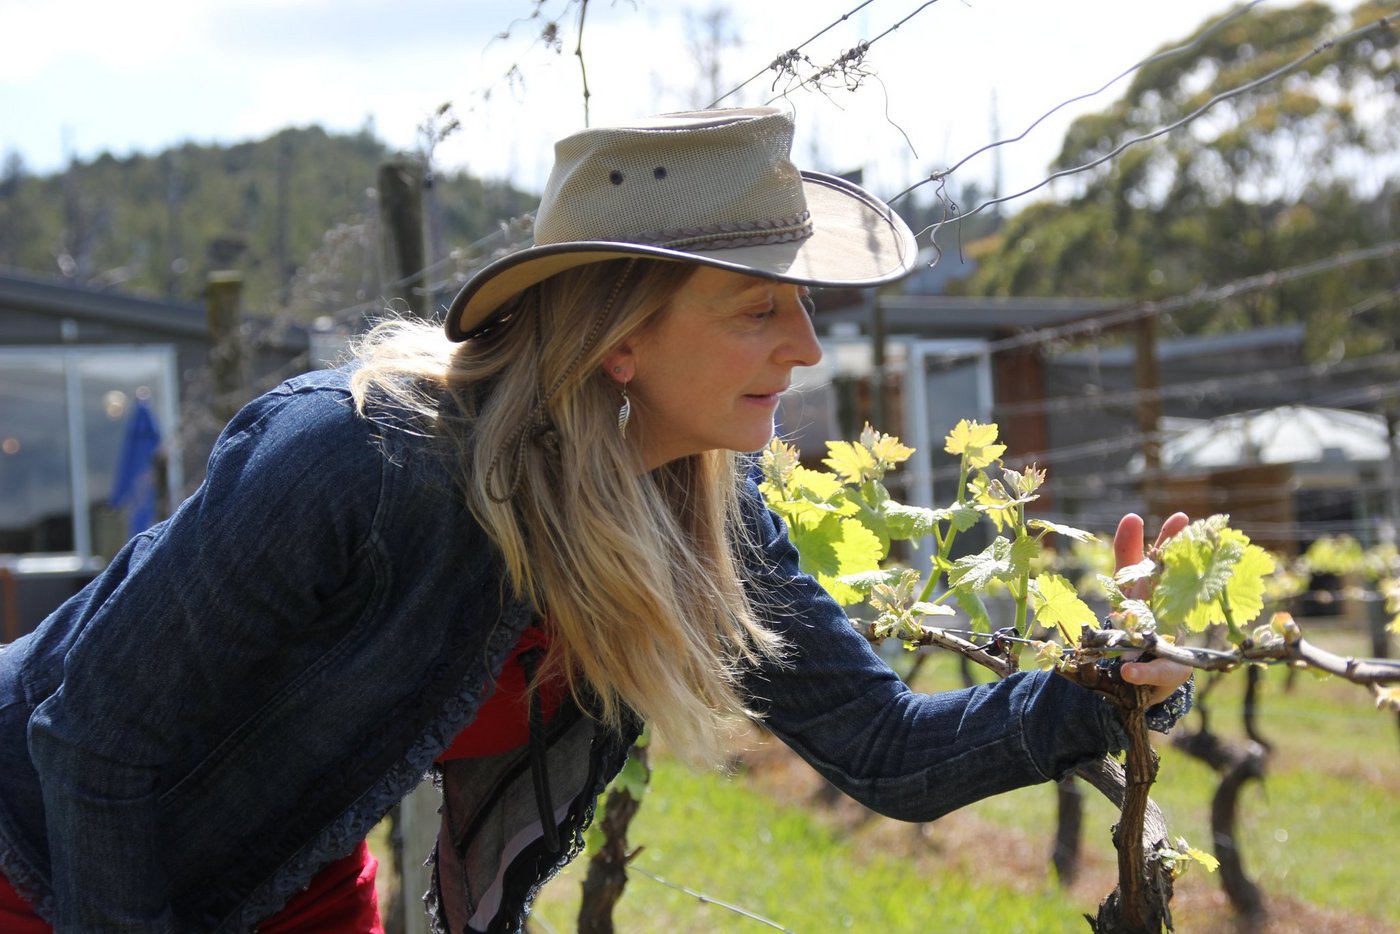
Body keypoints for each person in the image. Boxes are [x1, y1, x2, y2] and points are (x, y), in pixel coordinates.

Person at [0, 107, 1191, 933]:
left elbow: (887, 750)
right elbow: (91, 743)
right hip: (40, 850)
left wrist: (1101, 683)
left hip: (287, 864)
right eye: (757, 309)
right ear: (620, 338)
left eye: (805, 306)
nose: (808, 348)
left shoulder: (705, 513)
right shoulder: (355, 460)